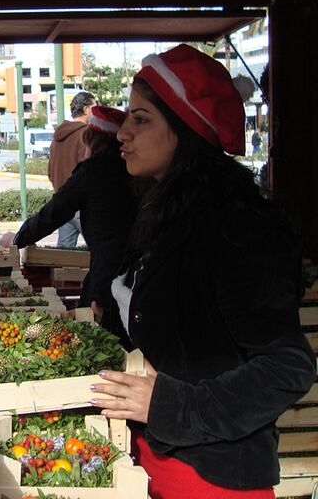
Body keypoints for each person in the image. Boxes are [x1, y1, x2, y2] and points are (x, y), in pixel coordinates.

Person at [89, 44, 316, 498]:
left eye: (141, 119)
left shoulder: (235, 226)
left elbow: (287, 366)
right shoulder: (171, 211)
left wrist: (173, 405)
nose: (122, 133)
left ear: (185, 130)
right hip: (160, 459)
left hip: (214, 476)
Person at [0, 106, 136, 343]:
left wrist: (19, 237)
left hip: (106, 275)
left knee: (95, 342)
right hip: (136, 275)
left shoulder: (93, 171)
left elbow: (53, 212)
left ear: (91, 139)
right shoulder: (135, 170)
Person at [48, 91, 97, 247]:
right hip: (80, 204)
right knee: (102, 248)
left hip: (61, 200)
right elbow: (87, 171)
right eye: (94, 107)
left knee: (63, 255)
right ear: (86, 109)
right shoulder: (85, 134)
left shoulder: (57, 136)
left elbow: (50, 171)